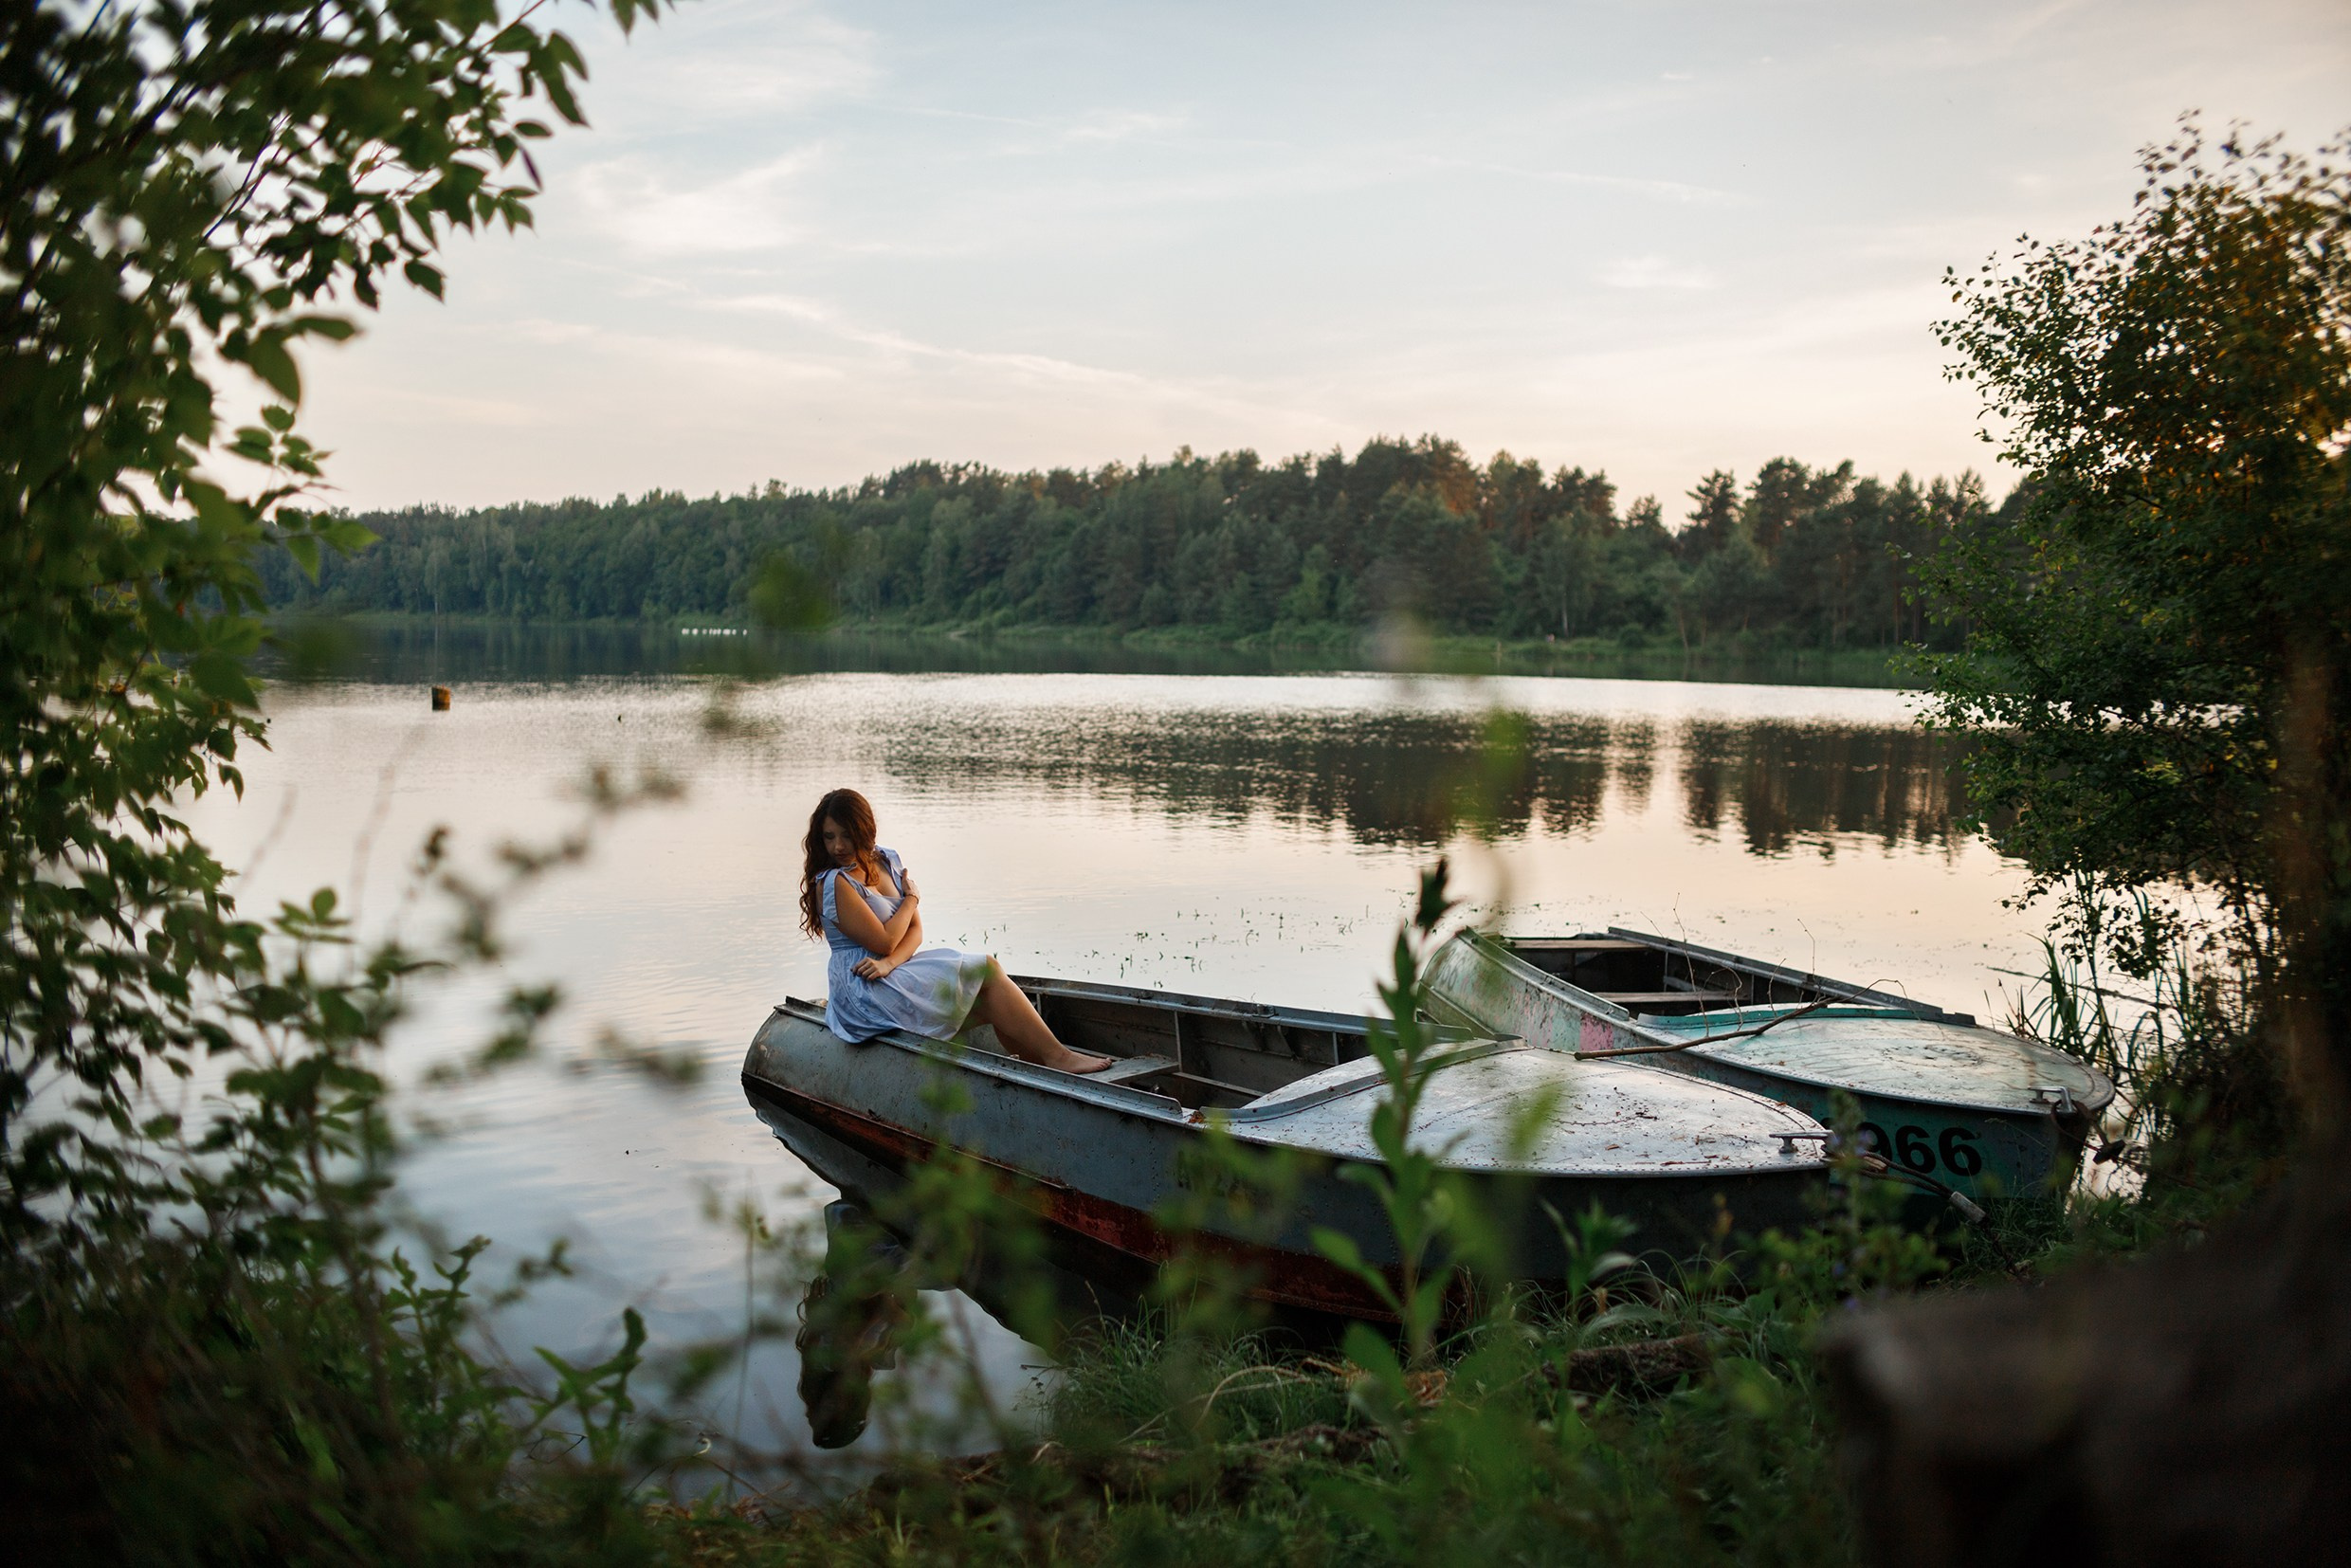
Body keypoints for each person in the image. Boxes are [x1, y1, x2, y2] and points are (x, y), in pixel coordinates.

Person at [799, 788, 1109, 1073]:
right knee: (986, 970)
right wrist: (911, 899)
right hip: (862, 986)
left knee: (989, 996)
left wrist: (891, 963)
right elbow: (885, 941)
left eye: (847, 835)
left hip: (893, 968)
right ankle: (1058, 1058)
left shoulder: (885, 859)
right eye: (829, 837)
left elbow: (915, 931)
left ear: (864, 830)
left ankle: (1040, 1065)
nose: (838, 846)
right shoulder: (834, 883)